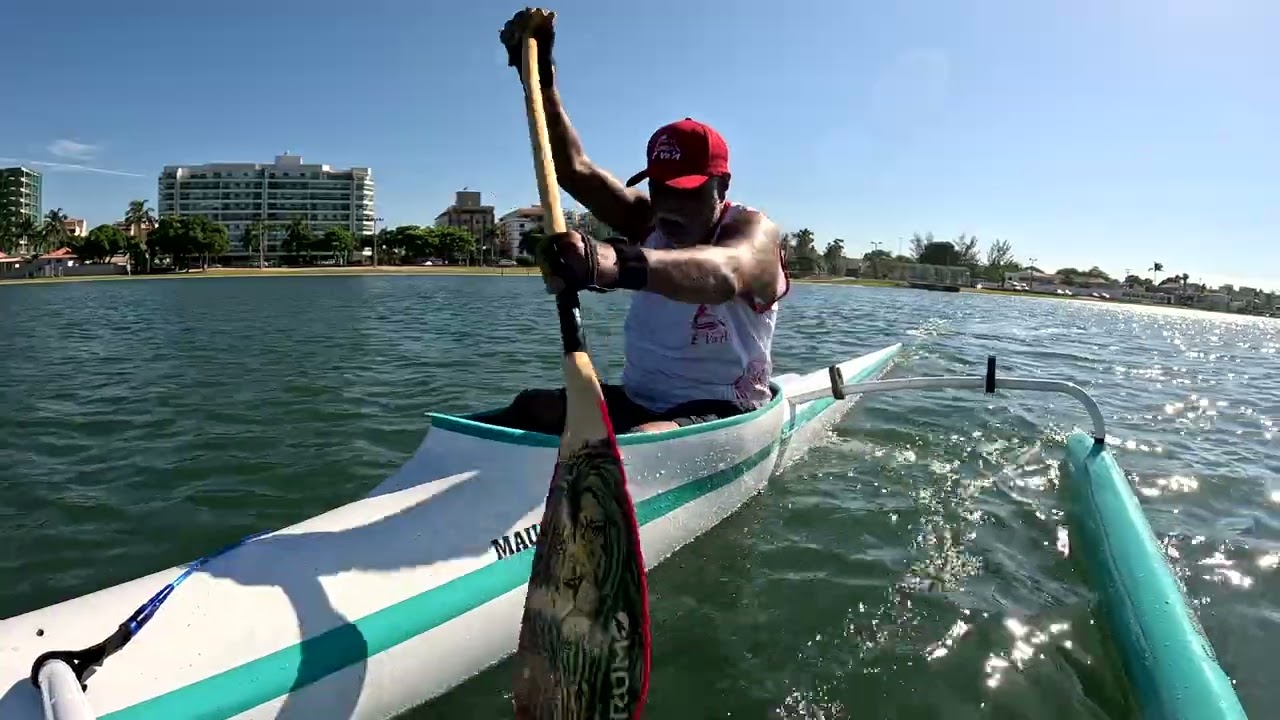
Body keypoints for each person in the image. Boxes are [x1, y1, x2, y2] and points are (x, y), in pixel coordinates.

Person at [487, 8, 789, 436]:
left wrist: (608, 264)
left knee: (644, 440)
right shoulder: (649, 219)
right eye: (661, 188)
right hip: (639, 400)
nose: (669, 205)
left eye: (687, 190)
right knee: (531, 408)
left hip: (724, 408)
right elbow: (572, 169)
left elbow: (724, 272)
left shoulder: (754, 235)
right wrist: (538, 77)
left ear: (722, 185)